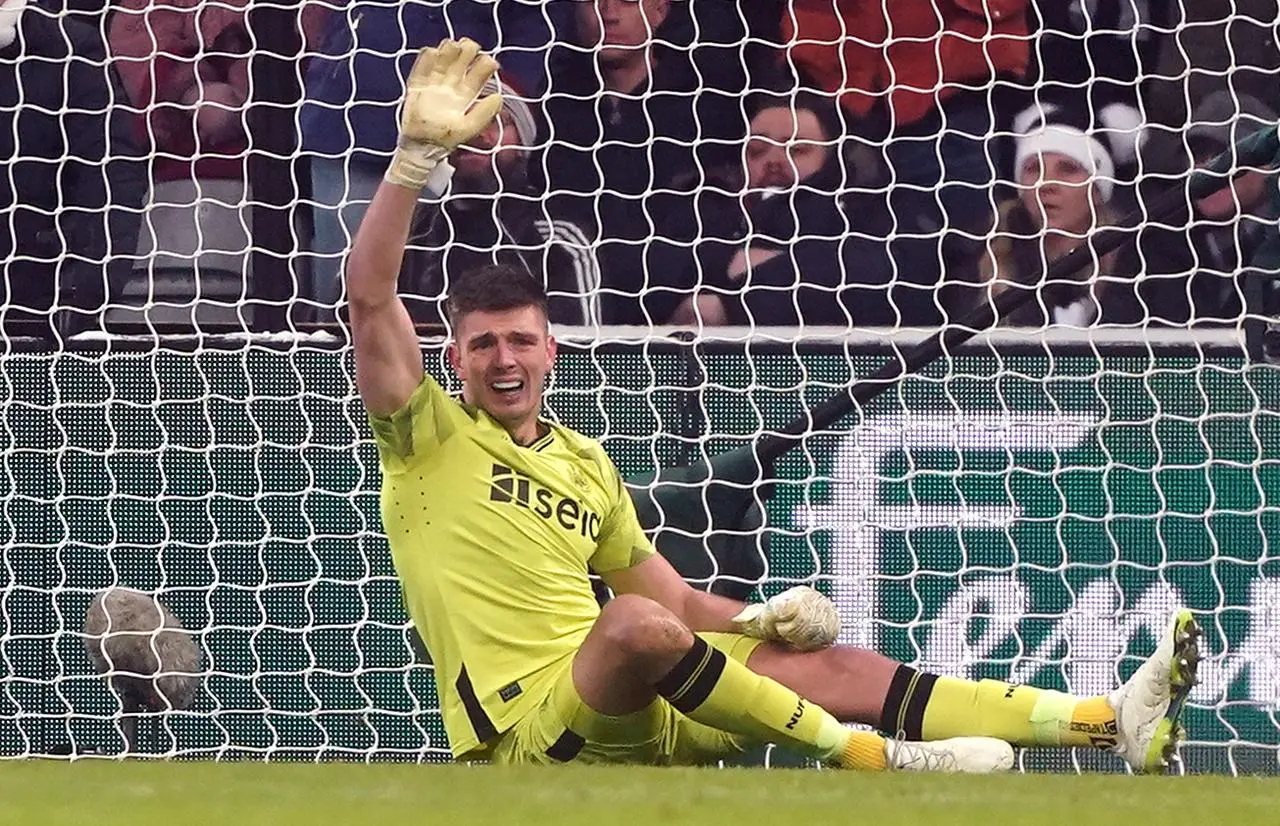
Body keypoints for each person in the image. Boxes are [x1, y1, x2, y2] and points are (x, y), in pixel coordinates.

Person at [346, 37, 1202, 771]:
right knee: (632, 627)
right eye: (484, 345)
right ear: (451, 359)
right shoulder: (427, 435)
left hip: (649, 708)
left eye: (520, 341)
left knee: (812, 655)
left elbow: (683, 608)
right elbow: (369, 296)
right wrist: (414, 164)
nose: (505, 360)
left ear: (551, 352)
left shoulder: (583, 461)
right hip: (532, 733)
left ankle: (1100, 722)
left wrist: (763, 618)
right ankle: (863, 754)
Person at [399, 73, 600, 328]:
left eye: (496, 120)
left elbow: (584, 355)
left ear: (523, 141)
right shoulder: (408, 233)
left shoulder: (559, 240)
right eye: (463, 119)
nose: (478, 133)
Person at [949, 99, 1142, 327]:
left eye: (1068, 169)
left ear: (1098, 191)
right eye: (1033, 169)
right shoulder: (975, 261)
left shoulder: (1140, 263)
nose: (1046, 184)